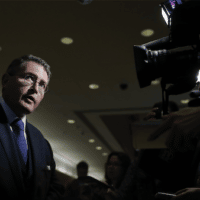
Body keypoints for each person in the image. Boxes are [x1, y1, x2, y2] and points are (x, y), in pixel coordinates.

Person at [0, 54, 65, 199]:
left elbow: (54, 188)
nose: (35, 89)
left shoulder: (41, 142)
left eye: (42, 85)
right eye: (29, 78)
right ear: (5, 81)